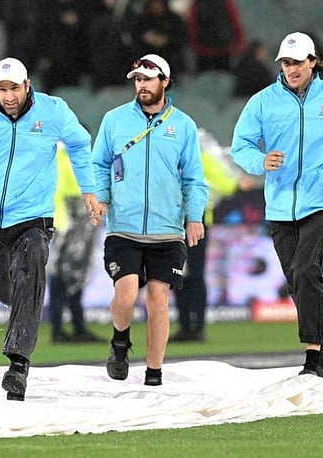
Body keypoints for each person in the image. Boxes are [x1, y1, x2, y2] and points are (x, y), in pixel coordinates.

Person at [0, 57, 98, 401]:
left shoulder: (53, 111)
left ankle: (18, 366)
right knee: (9, 290)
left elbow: (79, 143)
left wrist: (89, 188)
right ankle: (17, 319)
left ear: (28, 86)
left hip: (34, 217)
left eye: (14, 88)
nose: (8, 96)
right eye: (1, 89)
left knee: (31, 272)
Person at [230, 32, 323, 378]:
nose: (291, 69)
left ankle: (313, 353)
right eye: (285, 63)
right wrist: (260, 161)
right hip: (279, 205)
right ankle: (321, 330)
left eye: (297, 62)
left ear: (312, 61)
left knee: (306, 267)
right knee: (297, 278)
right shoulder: (262, 102)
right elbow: (240, 146)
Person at [91, 54, 209, 386]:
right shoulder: (114, 120)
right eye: (138, 79)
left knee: (158, 299)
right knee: (126, 293)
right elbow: (99, 164)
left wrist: (194, 217)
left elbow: (194, 178)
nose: (142, 85)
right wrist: (101, 198)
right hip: (124, 226)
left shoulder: (183, 125)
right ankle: (119, 341)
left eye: (148, 79)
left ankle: (154, 372)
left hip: (167, 229)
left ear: (165, 82)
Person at [171, 130, 253, 342]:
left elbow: (227, 185)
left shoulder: (192, 160)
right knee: (185, 275)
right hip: (188, 224)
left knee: (186, 275)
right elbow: (227, 185)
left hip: (187, 225)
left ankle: (192, 327)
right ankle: (192, 327)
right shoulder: (199, 159)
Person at [48, 141, 102, 344]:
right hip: (69, 224)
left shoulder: (60, 157)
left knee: (67, 276)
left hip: (70, 224)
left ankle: (69, 328)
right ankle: (64, 329)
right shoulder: (69, 159)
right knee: (65, 277)